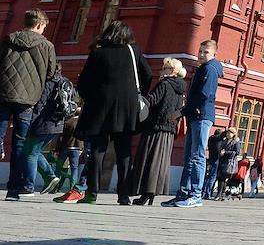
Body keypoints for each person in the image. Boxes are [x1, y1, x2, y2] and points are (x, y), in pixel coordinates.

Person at [66, 20, 150, 205]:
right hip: (126, 108)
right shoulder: (133, 51)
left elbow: (84, 82)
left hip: (100, 107)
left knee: (97, 151)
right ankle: (124, 195)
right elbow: (147, 74)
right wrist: (135, 93)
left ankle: (92, 193)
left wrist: (92, 97)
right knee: (124, 152)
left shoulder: (98, 52)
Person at [1, 9, 56, 200]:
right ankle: (13, 190)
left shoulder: (8, 39)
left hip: (3, 95)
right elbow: (51, 74)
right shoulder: (46, 45)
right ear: (40, 25)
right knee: (20, 145)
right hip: (28, 100)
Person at [164, 39, 221, 208]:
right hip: (195, 116)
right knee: (189, 156)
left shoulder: (210, 69)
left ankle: (195, 194)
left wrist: (182, 111)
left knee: (197, 156)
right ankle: (183, 194)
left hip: (202, 116)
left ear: (213, 54)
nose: (202, 54)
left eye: (206, 52)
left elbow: (204, 94)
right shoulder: (203, 68)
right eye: (201, 51)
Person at [130, 57, 186, 206]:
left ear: (172, 71)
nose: (161, 71)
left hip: (155, 128)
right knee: (161, 161)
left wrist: (139, 96)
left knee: (149, 159)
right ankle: (152, 193)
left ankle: (145, 193)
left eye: (164, 68)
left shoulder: (164, 84)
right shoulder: (181, 88)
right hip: (169, 131)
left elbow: (152, 101)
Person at [17, 62, 74, 199]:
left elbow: (39, 106)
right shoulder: (64, 81)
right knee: (34, 152)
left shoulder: (46, 84)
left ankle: (29, 186)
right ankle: (50, 176)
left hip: (43, 123)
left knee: (31, 153)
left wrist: (29, 123)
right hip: (57, 124)